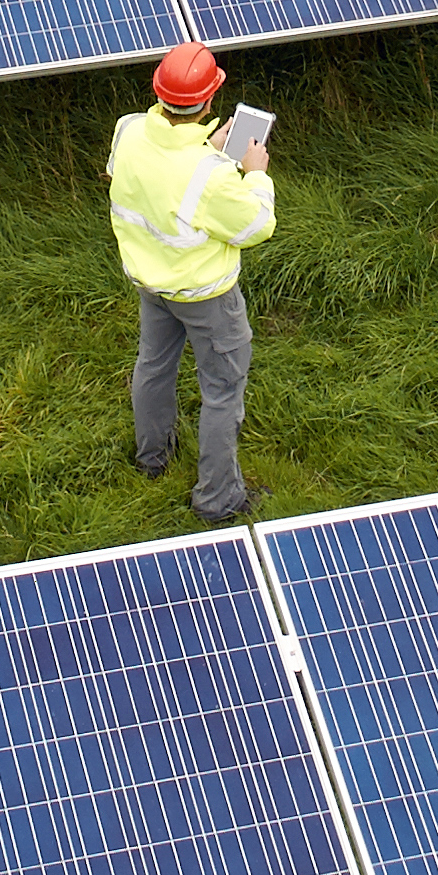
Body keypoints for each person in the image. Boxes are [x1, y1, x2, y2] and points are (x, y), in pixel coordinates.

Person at [106, 41, 272, 522]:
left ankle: (151, 460)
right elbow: (255, 225)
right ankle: (218, 500)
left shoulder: (129, 129)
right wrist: (255, 173)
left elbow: (132, 173)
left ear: (158, 93)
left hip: (150, 284)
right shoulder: (211, 177)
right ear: (210, 99)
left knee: (153, 367)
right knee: (222, 390)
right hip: (206, 296)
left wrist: (209, 149)